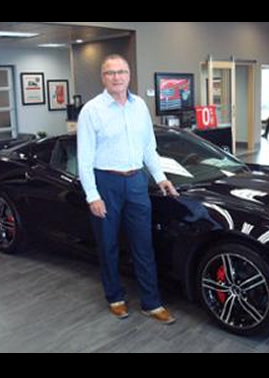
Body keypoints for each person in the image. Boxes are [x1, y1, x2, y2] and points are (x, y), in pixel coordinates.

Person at [77, 54, 179, 325]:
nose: (117, 77)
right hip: (105, 183)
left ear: (129, 75)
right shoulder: (91, 110)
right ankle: (115, 298)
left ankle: (152, 303)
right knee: (108, 244)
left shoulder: (140, 106)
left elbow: (149, 147)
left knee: (143, 245)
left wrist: (160, 177)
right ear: (103, 77)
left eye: (122, 72)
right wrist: (92, 195)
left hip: (136, 183)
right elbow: (84, 158)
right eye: (111, 73)